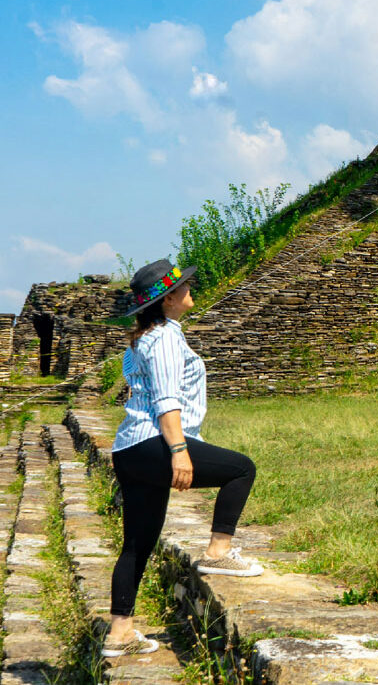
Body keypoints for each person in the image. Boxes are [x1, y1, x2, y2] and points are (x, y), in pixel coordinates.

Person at [103, 258, 263, 657]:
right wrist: (179, 451)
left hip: (129, 448)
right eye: (185, 286)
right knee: (241, 469)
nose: (192, 289)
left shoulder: (144, 338)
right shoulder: (166, 339)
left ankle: (119, 633)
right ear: (170, 299)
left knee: (137, 544)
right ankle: (218, 553)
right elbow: (166, 400)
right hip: (156, 442)